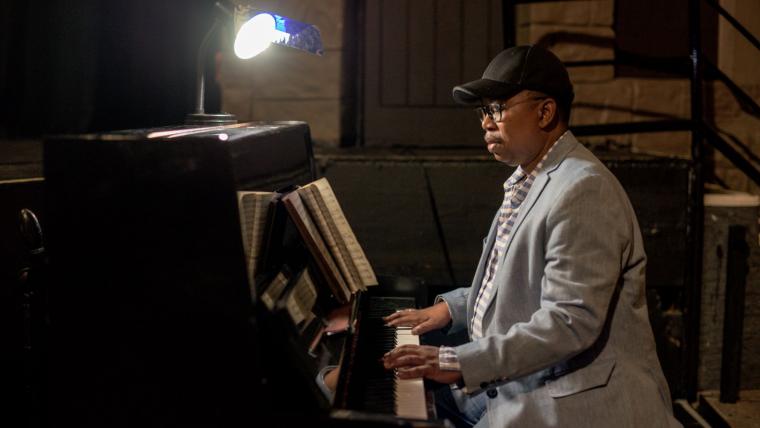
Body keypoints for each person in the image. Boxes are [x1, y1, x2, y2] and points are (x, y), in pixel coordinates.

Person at [382, 45, 681, 427]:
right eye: (483, 111)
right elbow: (514, 284)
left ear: (545, 111)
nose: (486, 123)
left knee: (381, 403)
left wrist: (458, 362)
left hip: (570, 402)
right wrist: (450, 309)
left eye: (497, 108)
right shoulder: (533, 177)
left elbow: (570, 321)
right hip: (521, 382)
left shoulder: (583, 189)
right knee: (365, 390)